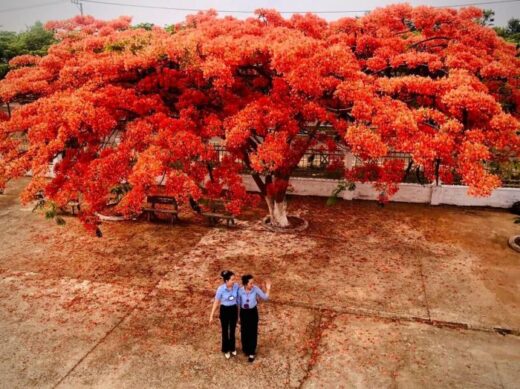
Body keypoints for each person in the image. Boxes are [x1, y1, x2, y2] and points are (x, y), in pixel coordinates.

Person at [238, 274, 271, 363]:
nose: (252, 285)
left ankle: (252, 352)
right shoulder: (240, 291)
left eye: (253, 283)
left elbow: (265, 297)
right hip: (243, 312)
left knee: (252, 331)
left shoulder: (255, 289)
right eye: (250, 283)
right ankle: (246, 349)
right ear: (245, 284)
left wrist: (267, 289)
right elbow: (238, 303)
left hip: (252, 312)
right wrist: (238, 316)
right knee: (244, 331)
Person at [209, 270, 239, 359]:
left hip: (233, 309)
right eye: (232, 279)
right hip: (225, 310)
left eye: (234, 279)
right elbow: (216, 302)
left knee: (233, 330)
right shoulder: (221, 289)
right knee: (225, 331)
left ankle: (232, 347)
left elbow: (239, 298)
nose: (234, 281)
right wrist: (211, 315)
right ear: (226, 281)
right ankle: (226, 349)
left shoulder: (236, 286)